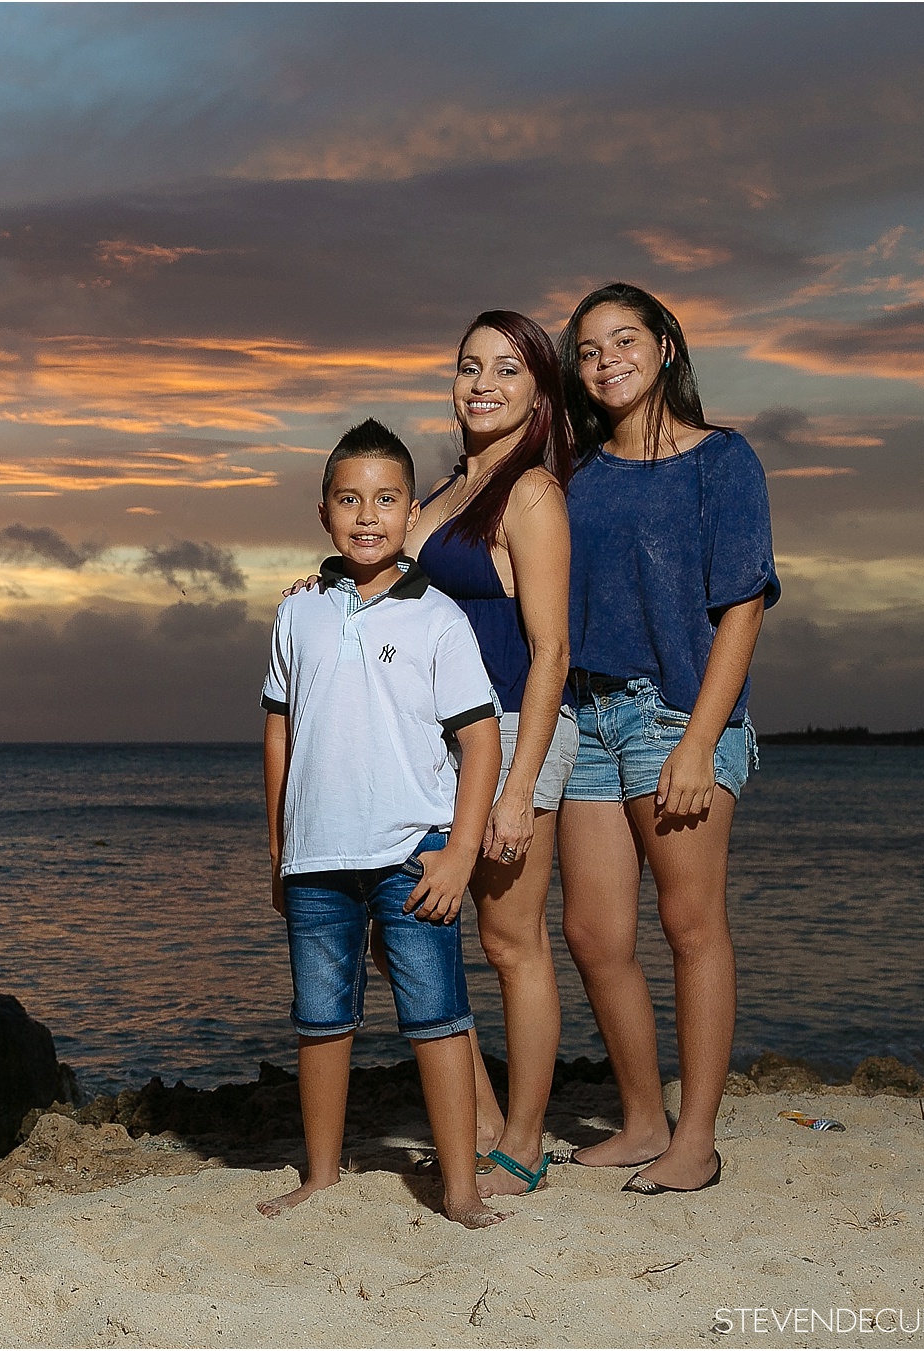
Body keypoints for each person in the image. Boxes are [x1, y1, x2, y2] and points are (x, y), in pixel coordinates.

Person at [288, 312, 577, 1198]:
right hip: (435, 742)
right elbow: (378, 569)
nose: (482, 383)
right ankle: (479, 1117)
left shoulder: (529, 492)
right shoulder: (445, 491)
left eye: (506, 369)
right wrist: (319, 580)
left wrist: (522, 781)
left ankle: (522, 1138)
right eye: (468, 367)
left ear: (537, 391)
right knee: (413, 920)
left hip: (516, 730)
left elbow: (552, 647)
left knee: (509, 938)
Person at [555, 282, 780, 1195]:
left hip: (674, 716)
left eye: (624, 339)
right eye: (588, 348)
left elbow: (743, 607)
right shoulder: (573, 476)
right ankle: (642, 1116)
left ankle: (697, 1139)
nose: (607, 358)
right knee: (594, 934)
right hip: (585, 714)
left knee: (691, 925)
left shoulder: (722, 462)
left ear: (667, 347)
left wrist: (701, 739)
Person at [258, 417, 506, 1229]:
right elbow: (280, 731)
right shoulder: (297, 613)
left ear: (410, 514)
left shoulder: (436, 616)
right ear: (324, 510)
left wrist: (461, 851)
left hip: (415, 853)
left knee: (439, 1020)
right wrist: (279, 847)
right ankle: (321, 1175)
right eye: (350, 499)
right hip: (317, 858)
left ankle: (461, 1188)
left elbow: (480, 737)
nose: (368, 515)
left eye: (387, 499)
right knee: (321, 1021)